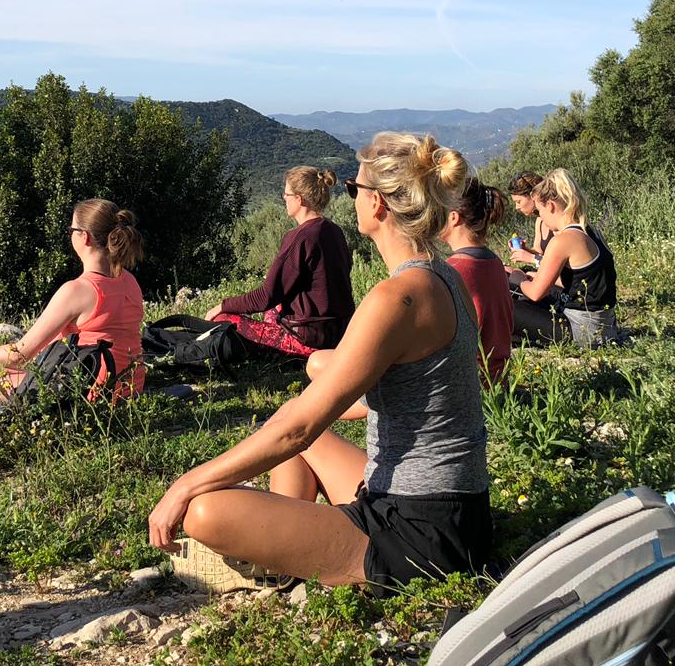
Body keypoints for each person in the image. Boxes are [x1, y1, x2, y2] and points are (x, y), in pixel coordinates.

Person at [149, 134, 491, 590]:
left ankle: (290, 555)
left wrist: (187, 482)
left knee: (203, 511)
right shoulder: (444, 277)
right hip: (455, 511)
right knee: (289, 422)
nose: (351, 199)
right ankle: (279, 556)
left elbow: (298, 429)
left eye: (354, 188)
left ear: (378, 205)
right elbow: (411, 397)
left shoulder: (397, 297)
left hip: (418, 533)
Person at [0, 199, 147, 400]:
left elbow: (20, 355)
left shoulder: (77, 290)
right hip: (130, 389)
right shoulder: (129, 281)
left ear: (84, 237)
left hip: (86, 394)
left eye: (71, 229)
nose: (70, 234)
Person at [204, 166, 355, 356]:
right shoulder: (334, 230)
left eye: (286, 194)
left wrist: (222, 306)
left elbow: (265, 297)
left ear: (299, 199)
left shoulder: (300, 237)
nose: (284, 198)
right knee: (275, 310)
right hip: (341, 331)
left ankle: (287, 354)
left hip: (311, 338)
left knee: (224, 320)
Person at [507, 169, 622, 346]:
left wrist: (519, 278)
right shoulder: (590, 230)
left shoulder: (563, 240)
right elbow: (583, 281)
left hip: (584, 329)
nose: (541, 217)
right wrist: (536, 276)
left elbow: (536, 293)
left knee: (502, 304)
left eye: (539, 209)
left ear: (550, 206)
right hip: (602, 323)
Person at [440, 176, 515, 383]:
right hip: (499, 380)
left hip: (470, 385)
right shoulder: (494, 261)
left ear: (454, 217)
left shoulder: (454, 270)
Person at [506, 171, 551, 265]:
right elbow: (540, 253)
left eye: (519, 202)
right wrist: (524, 251)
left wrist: (532, 258)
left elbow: (559, 265)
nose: (516, 207)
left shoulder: (556, 222)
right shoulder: (540, 221)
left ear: (532, 196)